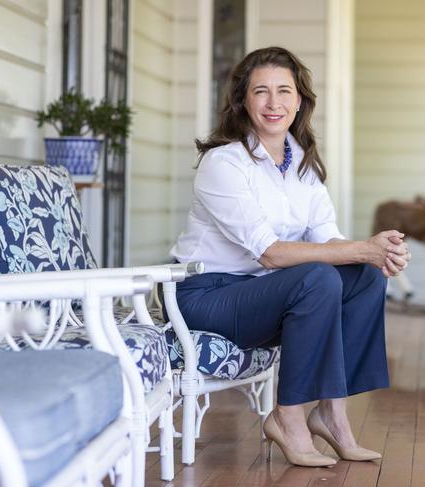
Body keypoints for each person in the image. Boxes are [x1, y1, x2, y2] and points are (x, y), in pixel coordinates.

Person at [170, 46, 411, 467]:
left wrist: (378, 253)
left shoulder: (304, 166)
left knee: (366, 276)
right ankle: (287, 418)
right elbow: (270, 253)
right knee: (317, 276)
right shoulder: (223, 163)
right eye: (261, 92)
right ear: (243, 101)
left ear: (300, 100)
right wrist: (361, 249)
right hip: (206, 297)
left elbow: (329, 241)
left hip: (265, 295)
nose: (274, 103)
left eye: (284, 91)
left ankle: (332, 414)